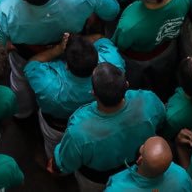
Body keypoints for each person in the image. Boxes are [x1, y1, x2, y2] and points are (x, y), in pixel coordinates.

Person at [54, 63, 165, 191]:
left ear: (93, 93)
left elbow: (67, 162)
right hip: (136, 169)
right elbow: (162, 121)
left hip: (97, 180)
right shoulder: (149, 100)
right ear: (127, 85)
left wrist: (56, 161)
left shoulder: (79, 129)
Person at [107, 137, 192, 191]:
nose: (142, 145)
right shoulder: (182, 176)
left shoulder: (116, 187)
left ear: (140, 160)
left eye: (144, 145)